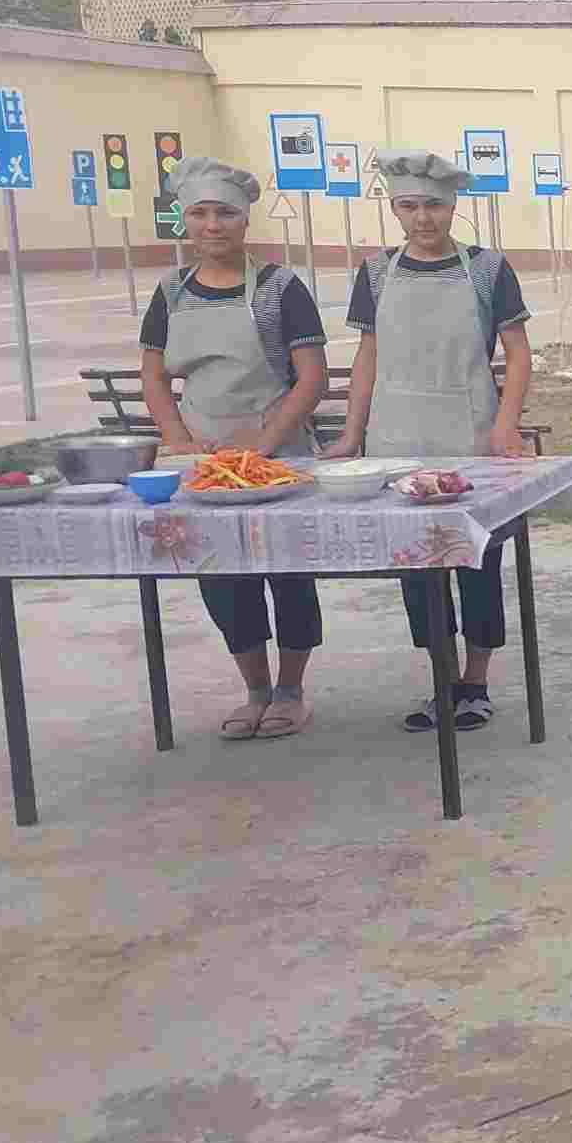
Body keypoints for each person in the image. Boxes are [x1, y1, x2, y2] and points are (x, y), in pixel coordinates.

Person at [322, 151, 535, 733]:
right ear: (394, 209)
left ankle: (477, 683)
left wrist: (506, 424)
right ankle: (441, 681)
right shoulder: (374, 272)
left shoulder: (488, 268)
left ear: (453, 207)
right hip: (396, 438)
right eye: (409, 206)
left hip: (468, 434)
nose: (423, 218)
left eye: (434, 205)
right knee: (415, 566)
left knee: (476, 560)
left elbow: (516, 353)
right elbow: (367, 356)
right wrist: (351, 432)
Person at [138, 156, 332, 740]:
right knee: (222, 577)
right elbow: (153, 375)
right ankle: (255, 690)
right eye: (199, 213)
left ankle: (292, 689)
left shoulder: (281, 287)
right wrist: (177, 438)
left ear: (245, 221)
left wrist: (265, 445)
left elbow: (312, 376)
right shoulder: (170, 292)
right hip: (203, 460)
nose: (212, 225)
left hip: (279, 456)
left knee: (288, 574)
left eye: (224, 213)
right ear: (184, 222)